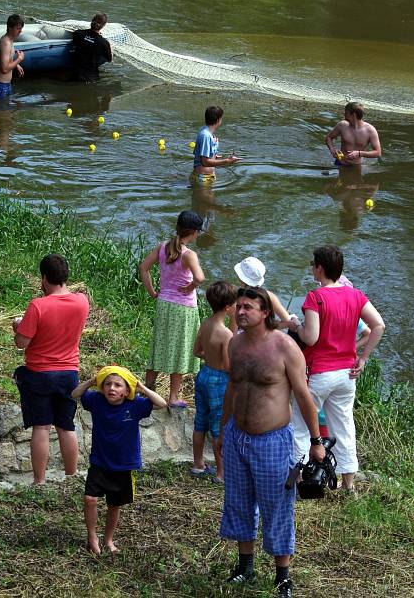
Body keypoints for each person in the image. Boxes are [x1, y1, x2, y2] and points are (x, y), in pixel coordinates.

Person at [219, 287, 325, 596]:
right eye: (238, 306)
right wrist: (223, 430)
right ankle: (245, 566)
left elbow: (304, 397)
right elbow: (232, 388)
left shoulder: (285, 347)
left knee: (277, 506)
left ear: (265, 312)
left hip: (273, 441)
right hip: (237, 437)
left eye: (248, 307)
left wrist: (316, 441)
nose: (241, 312)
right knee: (238, 501)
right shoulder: (235, 344)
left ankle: (283, 576)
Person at [288, 246, 386, 491]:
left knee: (300, 426)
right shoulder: (356, 296)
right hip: (346, 375)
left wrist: (296, 325)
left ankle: (300, 481)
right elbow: (379, 326)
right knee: (344, 426)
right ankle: (348, 485)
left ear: (320, 268)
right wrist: (363, 358)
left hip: (319, 372)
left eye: (313, 264)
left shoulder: (316, 297)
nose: (312, 268)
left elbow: (310, 338)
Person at [72, 366, 167, 554]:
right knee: (90, 499)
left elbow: (161, 403)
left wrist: (141, 387)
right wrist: (92, 381)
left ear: (126, 391)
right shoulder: (96, 400)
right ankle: (92, 537)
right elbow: (75, 394)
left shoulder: (135, 405)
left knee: (114, 505)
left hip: (124, 464)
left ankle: (108, 539)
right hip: (99, 461)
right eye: (107, 384)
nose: (112, 388)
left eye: (118, 385)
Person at [13, 254, 90, 485]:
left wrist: (17, 326)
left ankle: (39, 481)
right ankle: (71, 475)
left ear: (44, 278)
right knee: (66, 426)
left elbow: (21, 342)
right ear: (65, 277)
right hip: (69, 374)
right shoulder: (82, 302)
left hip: (39, 374)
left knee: (42, 427)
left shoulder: (38, 305)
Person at [139, 210, 206, 407]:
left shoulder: (162, 247)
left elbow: (144, 268)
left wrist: (152, 292)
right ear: (194, 232)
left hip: (164, 304)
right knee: (181, 349)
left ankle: (148, 391)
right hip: (184, 308)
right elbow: (200, 278)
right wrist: (192, 286)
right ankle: (173, 397)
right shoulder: (189, 254)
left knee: (158, 345)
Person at [190, 281, 237, 483]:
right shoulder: (225, 334)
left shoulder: (205, 323)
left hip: (204, 374)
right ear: (228, 308)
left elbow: (196, 351)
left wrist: (210, 357)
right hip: (219, 380)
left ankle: (198, 464)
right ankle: (222, 473)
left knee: (201, 421)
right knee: (219, 425)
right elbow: (228, 365)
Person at [232, 256, 292, 331]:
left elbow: (233, 333)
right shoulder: (269, 296)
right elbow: (288, 321)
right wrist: (267, 328)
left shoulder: (239, 300)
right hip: (265, 337)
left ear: (241, 278)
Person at [191, 106, 240, 184]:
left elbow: (198, 153)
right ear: (218, 120)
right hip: (203, 178)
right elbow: (205, 162)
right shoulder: (206, 135)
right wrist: (227, 161)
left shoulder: (205, 131)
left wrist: (213, 155)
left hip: (205, 177)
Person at [325, 101, 382, 166]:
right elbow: (328, 138)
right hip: (340, 162)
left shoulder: (370, 130)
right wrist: (332, 150)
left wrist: (360, 153)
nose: (344, 115)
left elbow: (378, 153)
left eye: (346, 113)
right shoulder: (342, 125)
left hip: (356, 166)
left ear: (354, 115)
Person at [0, 14, 26, 99]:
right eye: (18, 28)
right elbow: (4, 70)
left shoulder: (7, 39)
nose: (20, 31)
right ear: (10, 27)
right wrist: (19, 59)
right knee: (2, 112)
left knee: (6, 112)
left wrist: (16, 65)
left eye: (21, 28)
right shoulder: (6, 43)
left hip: (4, 85)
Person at [71, 13, 113, 83]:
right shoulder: (104, 42)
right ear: (103, 26)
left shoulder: (78, 33)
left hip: (76, 74)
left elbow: (82, 42)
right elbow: (109, 59)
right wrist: (110, 48)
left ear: (92, 21)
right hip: (92, 78)